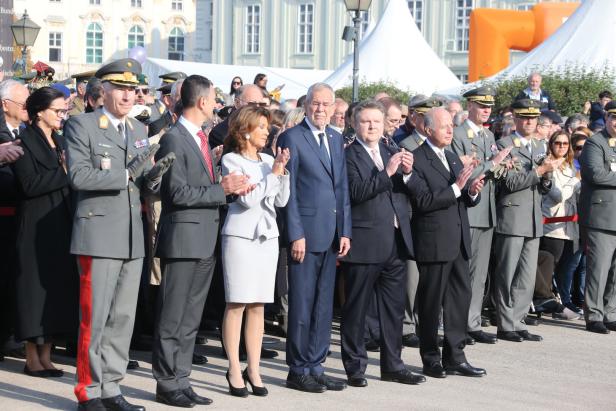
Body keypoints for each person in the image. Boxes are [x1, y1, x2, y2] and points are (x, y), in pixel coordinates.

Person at [65, 58, 174, 411]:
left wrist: (154, 175)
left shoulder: (139, 131)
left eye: (134, 90)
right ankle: (88, 391)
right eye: (123, 90)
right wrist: (126, 176)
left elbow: (140, 183)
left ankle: (111, 387)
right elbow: (79, 177)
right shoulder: (83, 125)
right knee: (94, 320)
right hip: (98, 234)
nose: (130, 96)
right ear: (104, 91)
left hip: (131, 237)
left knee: (122, 318)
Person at [152, 74, 254, 408]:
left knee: (190, 317)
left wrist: (227, 185)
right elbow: (176, 192)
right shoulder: (174, 139)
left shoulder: (199, 137)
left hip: (203, 238)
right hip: (183, 238)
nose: (216, 104)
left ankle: (182, 379)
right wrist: (220, 190)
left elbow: (197, 187)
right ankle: (167, 382)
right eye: (213, 98)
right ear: (201, 102)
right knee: (173, 315)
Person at [341, 100, 425, 387]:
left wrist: (408, 173)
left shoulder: (391, 150)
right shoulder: (349, 156)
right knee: (357, 309)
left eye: (377, 121)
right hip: (365, 242)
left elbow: (409, 192)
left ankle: (393, 365)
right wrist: (387, 173)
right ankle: (355, 367)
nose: (373, 126)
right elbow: (355, 192)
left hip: (395, 242)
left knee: (392, 310)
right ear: (354, 124)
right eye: (366, 121)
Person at [277, 82, 351, 393]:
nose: (320, 109)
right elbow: (288, 191)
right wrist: (296, 234)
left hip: (331, 235)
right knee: (303, 304)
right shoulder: (292, 137)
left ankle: (316, 364)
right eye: (315, 103)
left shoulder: (335, 138)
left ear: (334, 108)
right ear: (306, 105)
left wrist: (345, 230)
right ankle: (297, 368)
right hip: (305, 237)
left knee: (323, 306)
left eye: (325, 104)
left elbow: (341, 188)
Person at [408, 107, 486, 378]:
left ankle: (455, 355)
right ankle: (430, 358)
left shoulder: (451, 157)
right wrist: (456, 188)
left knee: (458, 301)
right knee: (431, 304)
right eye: (444, 126)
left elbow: (461, 198)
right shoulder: (417, 159)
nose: (450, 130)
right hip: (434, 242)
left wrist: (472, 192)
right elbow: (424, 202)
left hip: (458, 241)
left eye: (452, 125)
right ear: (428, 130)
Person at [220, 105, 290, 397]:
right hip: (240, 237)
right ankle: (234, 368)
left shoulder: (268, 160)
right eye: (261, 127)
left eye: (268, 127)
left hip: (267, 238)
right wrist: (273, 175)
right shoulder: (231, 160)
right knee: (237, 303)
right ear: (245, 130)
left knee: (259, 305)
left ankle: (254, 368)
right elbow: (248, 201)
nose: (267, 131)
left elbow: (281, 200)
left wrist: (282, 172)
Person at [10, 86, 78, 378]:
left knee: (57, 290)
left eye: (65, 111)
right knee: (34, 292)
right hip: (36, 224)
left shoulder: (62, 141)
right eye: (58, 111)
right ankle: (31, 357)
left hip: (62, 222)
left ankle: (47, 355)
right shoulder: (24, 142)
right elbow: (29, 185)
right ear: (40, 112)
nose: (63, 116)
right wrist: (63, 172)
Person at [493, 99, 563, 343]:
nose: (529, 122)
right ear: (516, 119)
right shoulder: (504, 145)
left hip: (533, 217)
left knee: (526, 275)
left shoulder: (538, 145)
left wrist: (545, 178)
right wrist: (539, 173)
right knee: (507, 273)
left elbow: (544, 185)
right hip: (512, 216)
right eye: (524, 118)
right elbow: (509, 183)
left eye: (533, 118)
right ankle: (504, 322)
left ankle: (519, 320)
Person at [450, 86, 512, 345]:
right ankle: (457, 324)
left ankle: (472, 322)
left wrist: (501, 167)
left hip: (487, 210)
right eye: (481, 105)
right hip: (469, 209)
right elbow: (463, 174)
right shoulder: (458, 134)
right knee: (463, 272)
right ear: (470, 106)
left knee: (479, 274)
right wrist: (494, 163)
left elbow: (489, 172)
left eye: (489, 106)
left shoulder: (487, 134)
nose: (486, 110)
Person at [579, 100, 616, 334]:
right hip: (601, 216)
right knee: (598, 269)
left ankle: (610, 312)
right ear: (607, 118)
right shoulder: (595, 142)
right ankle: (593, 315)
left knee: (615, 271)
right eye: (613, 118)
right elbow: (595, 174)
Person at [539, 131, 581, 317]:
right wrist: (577, 180)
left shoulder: (569, 167)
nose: (562, 146)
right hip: (552, 227)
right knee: (549, 268)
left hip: (569, 227)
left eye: (565, 143)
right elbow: (558, 195)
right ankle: (542, 304)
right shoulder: (548, 165)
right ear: (551, 144)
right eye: (558, 143)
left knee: (565, 269)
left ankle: (562, 302)